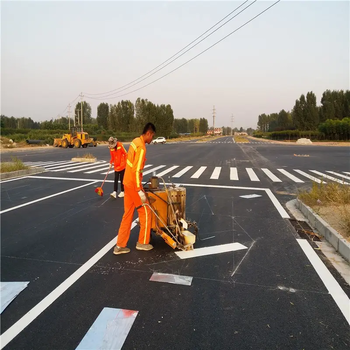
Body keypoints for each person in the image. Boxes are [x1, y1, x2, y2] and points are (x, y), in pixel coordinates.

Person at [113, 123, 156, 255]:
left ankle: (120, 246)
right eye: (152, 136)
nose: (152, 139)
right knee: (146, 211)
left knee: (128, 214)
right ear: (148, 133)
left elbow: (130, 165)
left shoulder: (134, 141)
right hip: (133, 184)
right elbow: (137, 170)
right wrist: (139, 189)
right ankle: (143, 242)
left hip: (127, 182)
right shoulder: (141, 147)